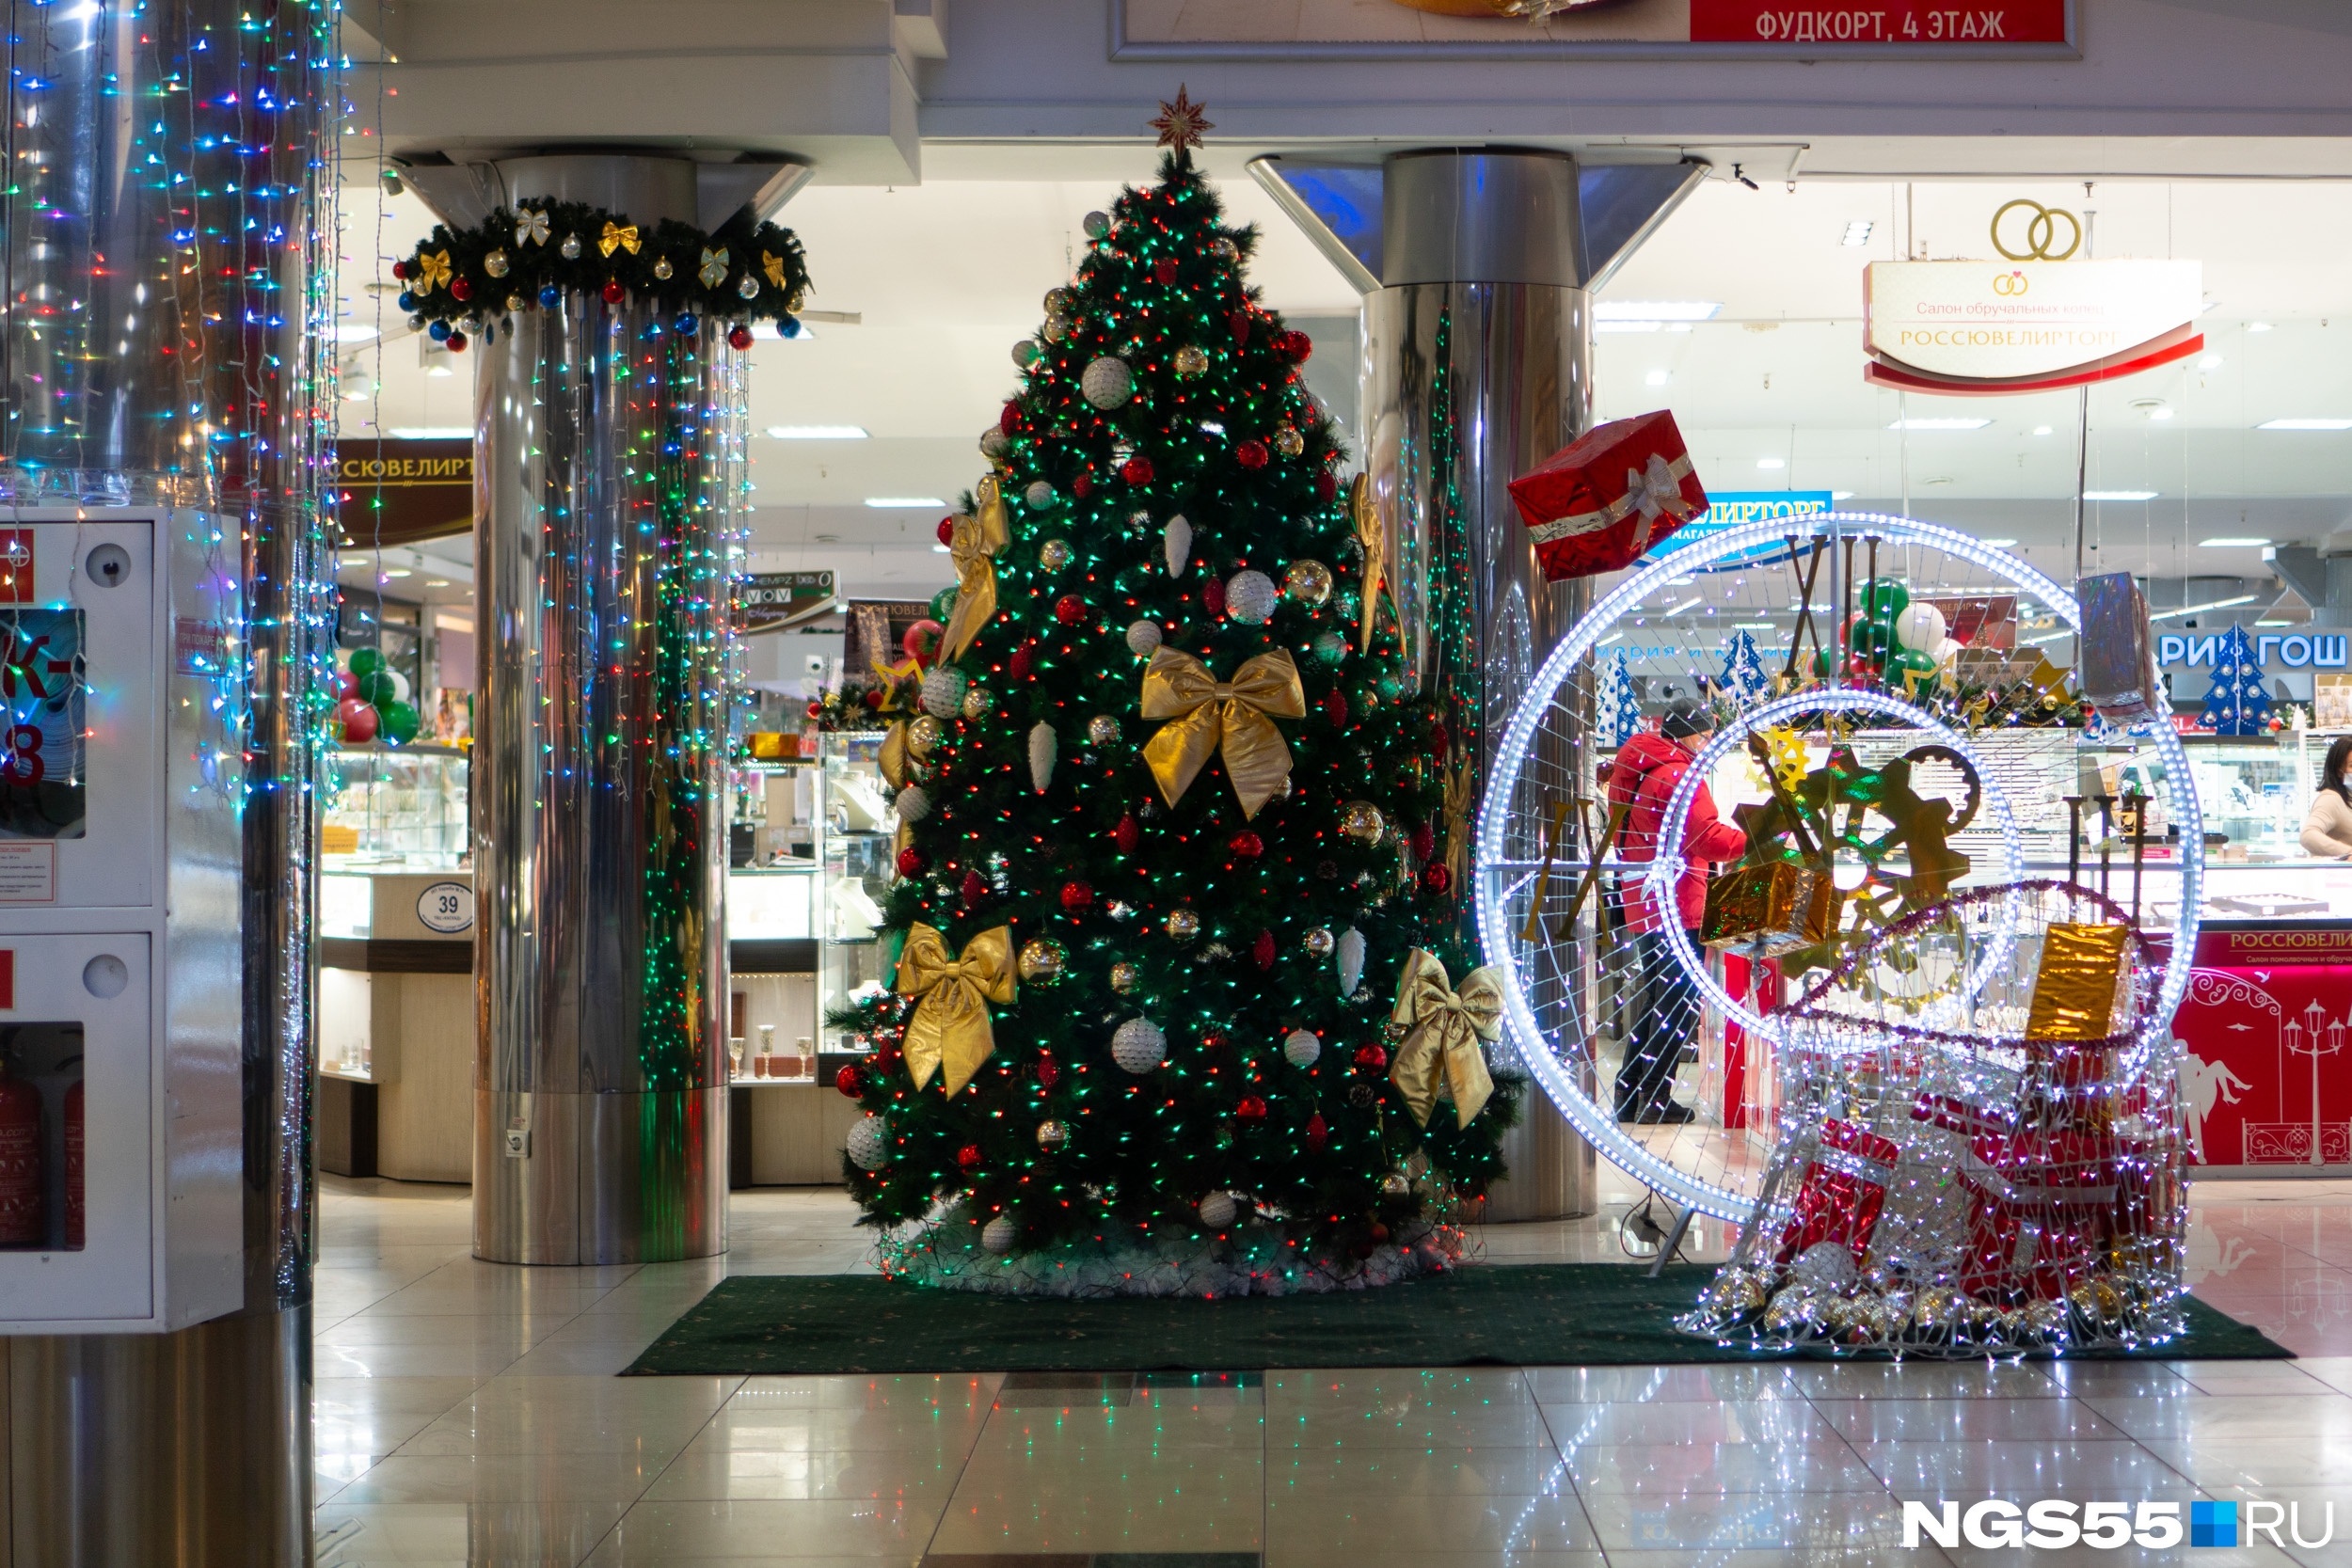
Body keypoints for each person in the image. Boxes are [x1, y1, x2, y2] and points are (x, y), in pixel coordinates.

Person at [1603, 700, 1748, 1123]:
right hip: (1678, 904)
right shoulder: (1681, 775)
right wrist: (1754, 839)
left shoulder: (1639, 770)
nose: (1707, 745)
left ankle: (1629, 1098)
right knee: (1678, 1006)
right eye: (1704, 736)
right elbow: (1708, 839)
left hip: (1644, 902)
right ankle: (1655, 1099)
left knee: (1656, 998)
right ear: (1688, 736)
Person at [2303, 736, 2352, 860]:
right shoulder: (2331, 799)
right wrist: (2347, 853)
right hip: (2339, 877)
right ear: (2338, 770)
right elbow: (2308, 836)